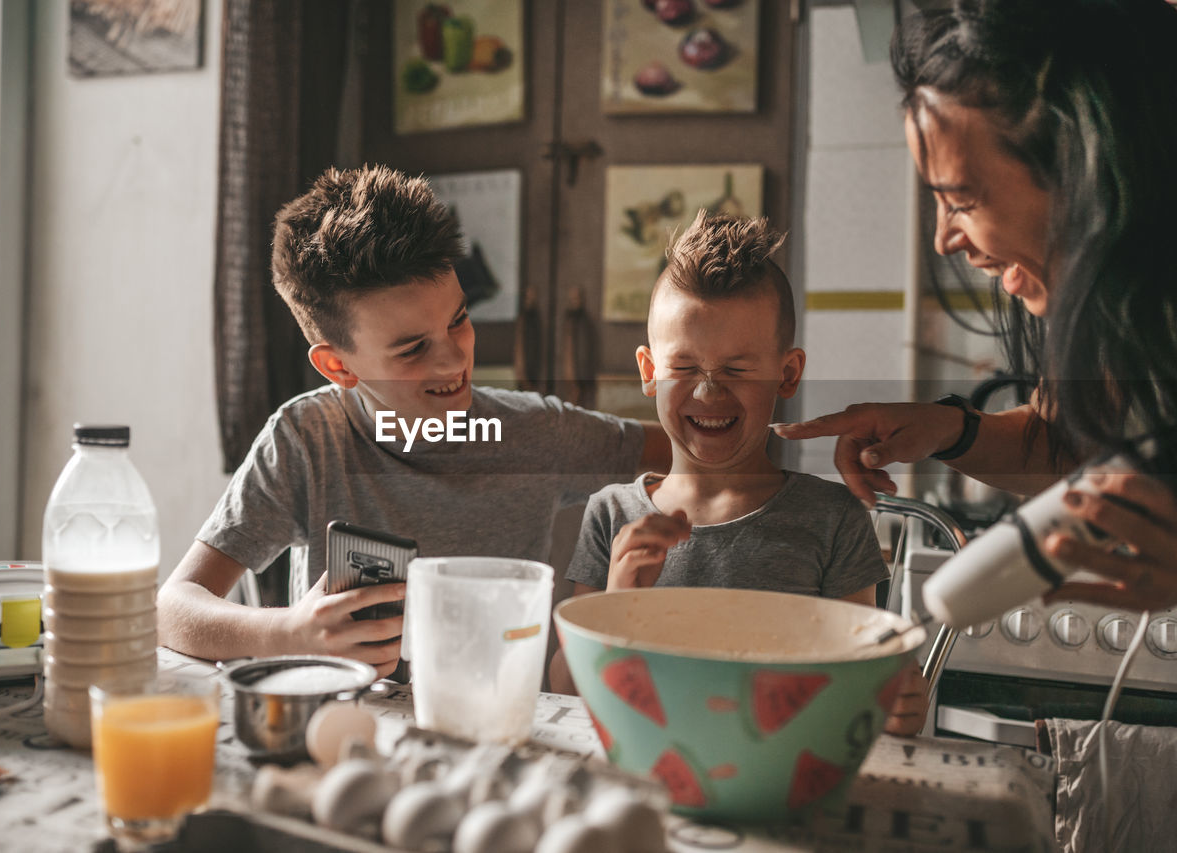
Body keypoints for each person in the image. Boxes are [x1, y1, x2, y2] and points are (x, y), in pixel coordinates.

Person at [157, 165, 669, 674]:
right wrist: (293, 631)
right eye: (413, 349)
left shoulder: (535, 432)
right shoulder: (304, 441)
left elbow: (686, 450)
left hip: (493, 723)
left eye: (458, 320)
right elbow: (173, 607)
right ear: (339, 366)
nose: (453, 360)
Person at [773, 0, 1177, 614]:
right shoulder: (1123, 319)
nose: (944, 239)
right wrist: (949, 430)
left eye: (959, 199)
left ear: (1087, 168)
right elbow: (1065, 444)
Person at [548, 211, 928, 736]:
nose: (708, 392)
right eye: (684, 368)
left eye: (737, 369)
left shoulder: (833, 519)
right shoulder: (611, 514)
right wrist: (613, 610)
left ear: (787, 373)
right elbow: (565, 691)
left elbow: (863, 689)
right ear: (649, 372)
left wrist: (894, 700)